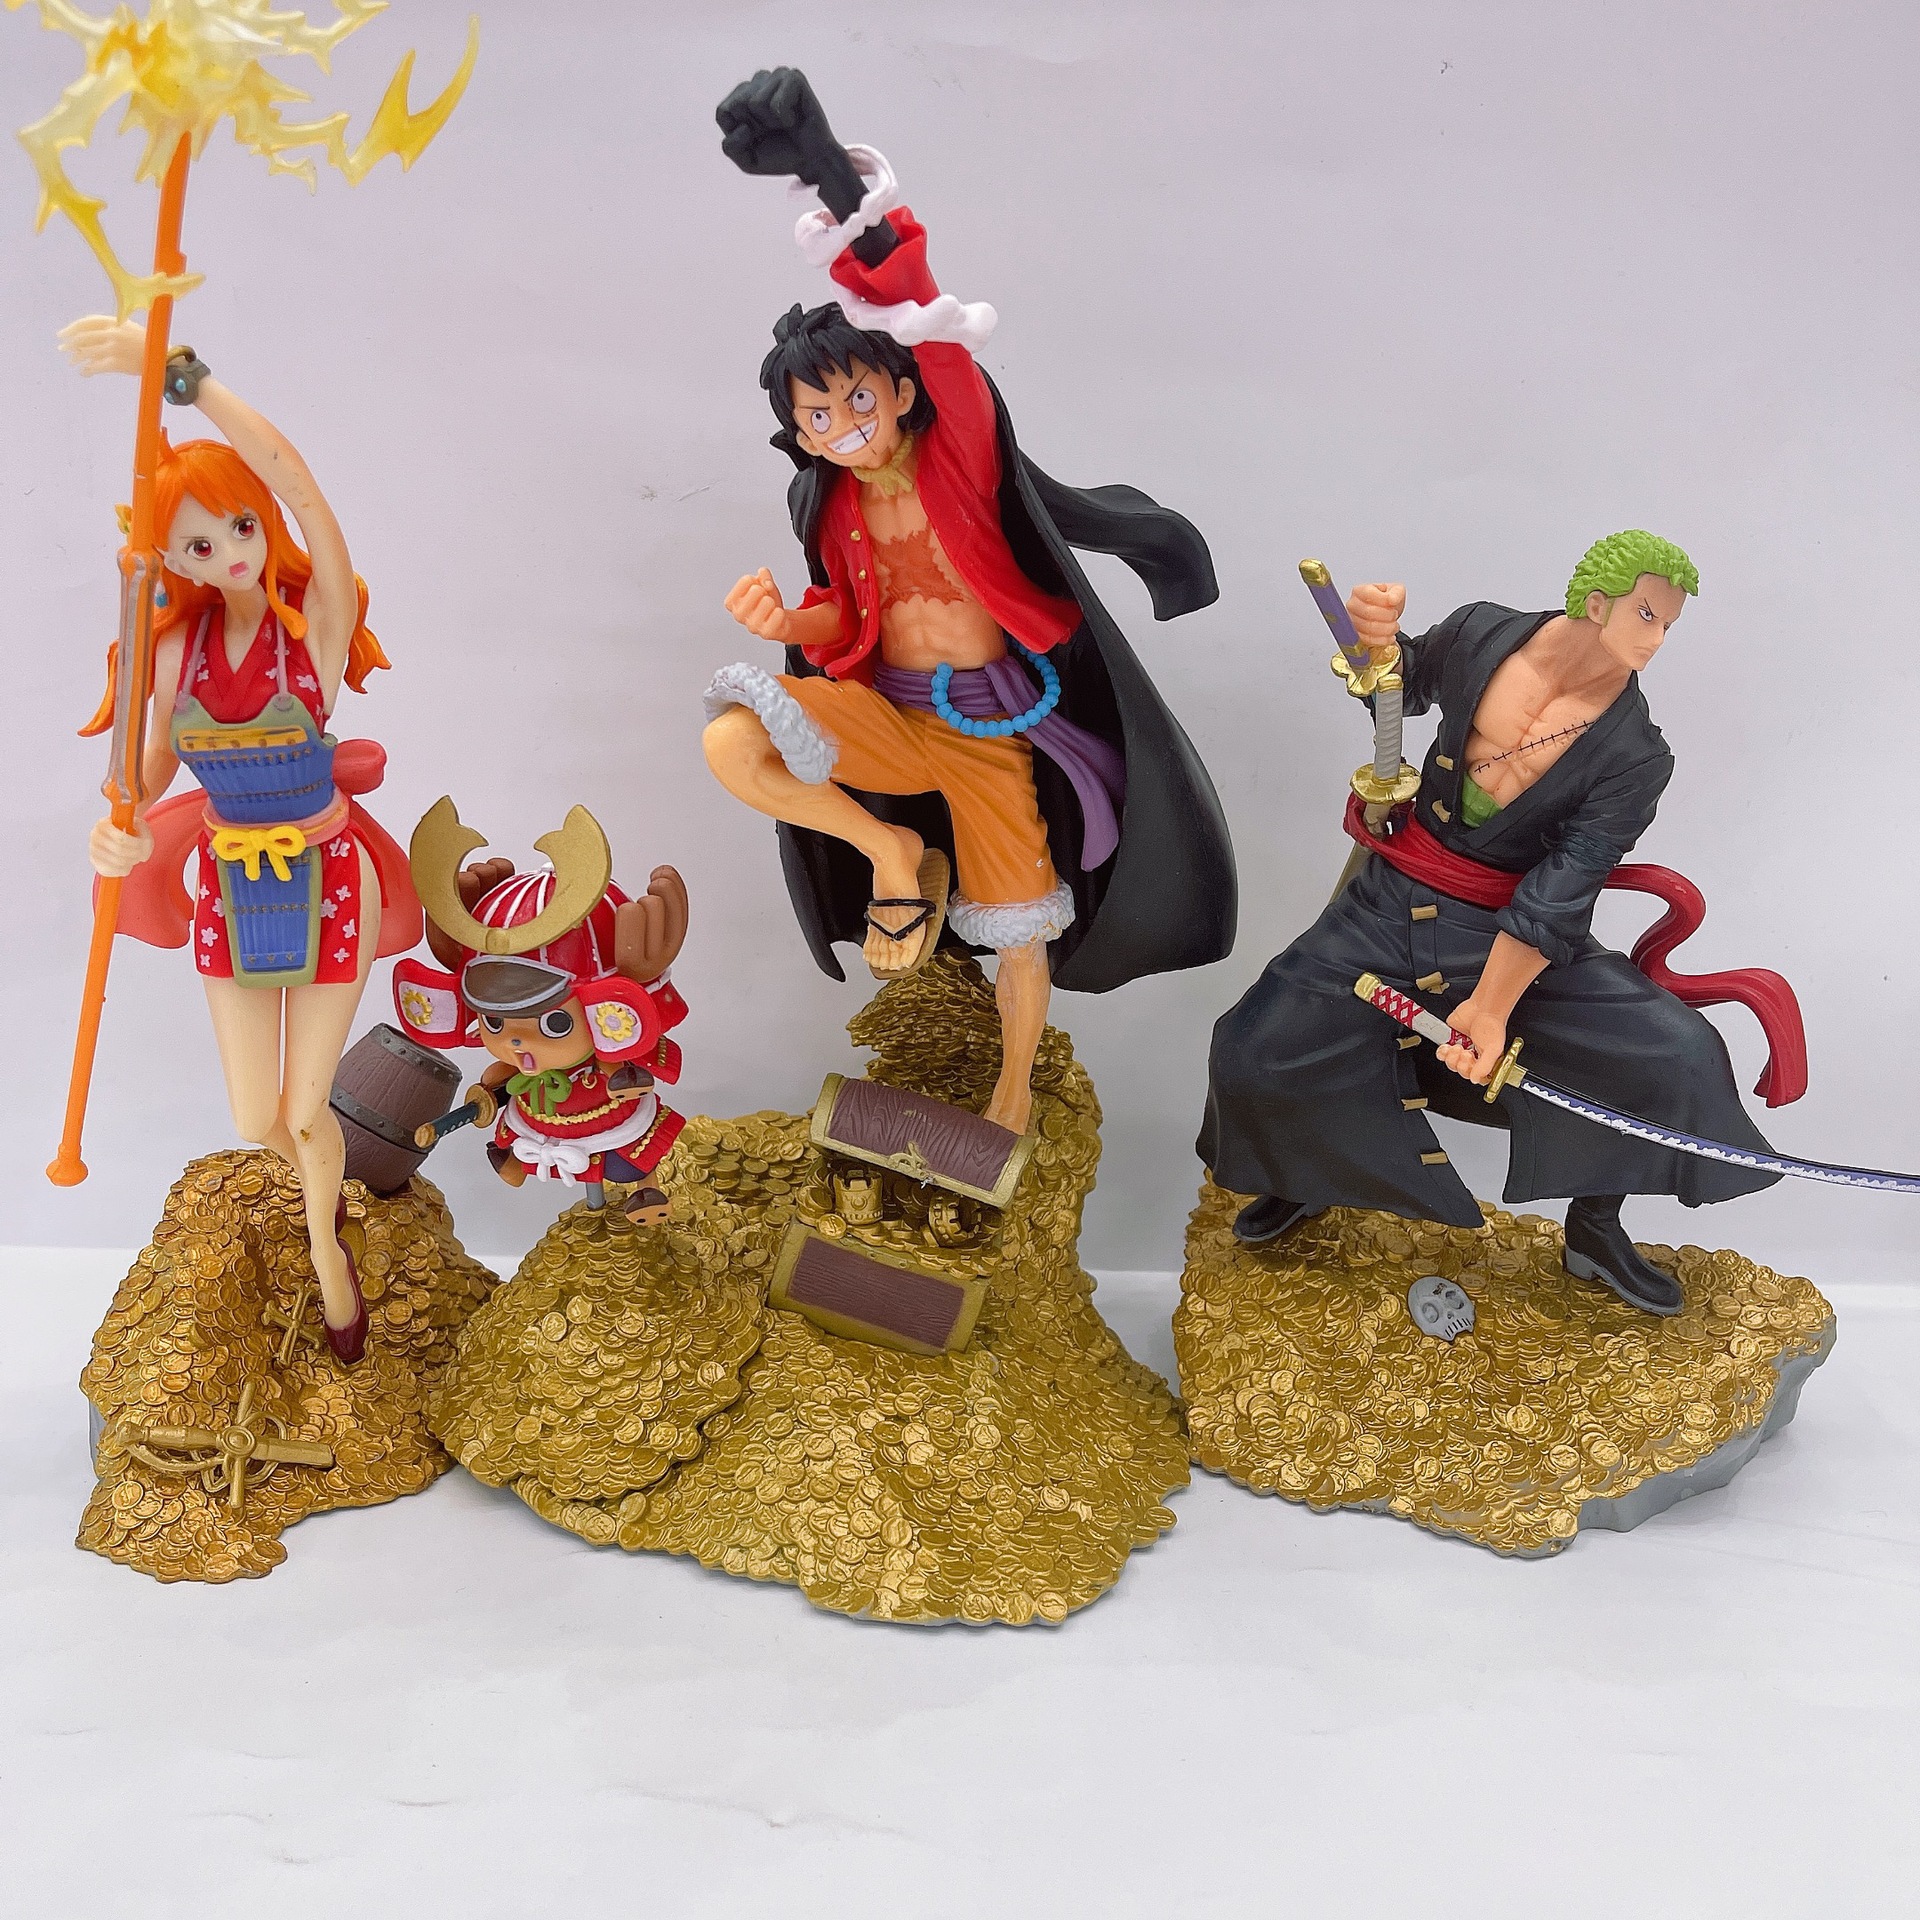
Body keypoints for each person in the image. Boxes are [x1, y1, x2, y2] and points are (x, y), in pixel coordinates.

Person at [702, 67, 1235, 1136]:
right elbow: (844, 619)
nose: (844, 427)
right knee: (733, 740)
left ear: (899, 391)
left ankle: (1011, 1093)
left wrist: (829, 173)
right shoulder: (830, 503)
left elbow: (925, 316)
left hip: (989, 726)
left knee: (1019, 932)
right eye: (818, 417)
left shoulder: (957, 463)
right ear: (799, 433)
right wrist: (785, 624)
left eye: (857, 397)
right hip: (887, 715)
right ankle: (894, 855)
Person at [1199, 531, 1782, 1315]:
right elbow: (1400, 689)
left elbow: (1565, 885)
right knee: (1253, 1044)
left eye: (1669, 625)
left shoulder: (1636, 754)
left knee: (1675, 1053)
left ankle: (1595, 1229)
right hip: (1390, 899)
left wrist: (1493, 1004)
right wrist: (1376, 642)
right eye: (1647, 615)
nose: (1657, 639)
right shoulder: (1482, 631)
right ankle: (1309, 1172)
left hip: (1512, 930)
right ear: (1597, 602)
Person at [68, 315, 419, 1362]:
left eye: (239, 528)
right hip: (230, 885)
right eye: (198, 546)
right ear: (169, 558)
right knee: (253, 1114)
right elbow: (142, 777)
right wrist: (118, 832)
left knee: (306, 1110)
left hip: (329, 873)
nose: (228, 554)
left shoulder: (314, 626)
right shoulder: (172, 651)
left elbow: (300, 483)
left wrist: (186, 379)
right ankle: (329, 1191)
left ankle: (328, 1257)